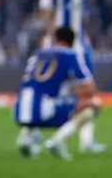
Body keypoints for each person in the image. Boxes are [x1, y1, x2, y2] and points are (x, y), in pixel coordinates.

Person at [38, 0, 106, 154]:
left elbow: (80, 17)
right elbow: (46, 13)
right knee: (49, 91)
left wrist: (85, 39)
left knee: (88, 93)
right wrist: (53, 40)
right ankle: (31, 135)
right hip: (59, 47)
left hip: (80, 47)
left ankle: (86, 140)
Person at [14, 26, 101, 161]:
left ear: (54, 40)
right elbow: (88, 88)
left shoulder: (38, 54)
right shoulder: (70, 55)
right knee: (91, 106)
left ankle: (25, 139)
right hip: (45, 109)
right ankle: (57, 141)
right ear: (72, 42)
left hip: (19, 110)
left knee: (39, 99)